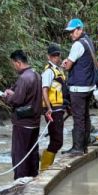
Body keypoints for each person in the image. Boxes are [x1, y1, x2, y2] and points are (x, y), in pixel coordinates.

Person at [2, 49, 44, 179]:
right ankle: (33, 177)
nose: (13, 67)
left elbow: (17, 100)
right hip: (35, 121)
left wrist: (6, 97)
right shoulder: (36, 74)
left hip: (23, 122)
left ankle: (20, 181)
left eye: (13, 64)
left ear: (18, 62)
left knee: (20, 154)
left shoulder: (24, 78)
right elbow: (28, 96)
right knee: (32, 153)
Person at [60, 18, 97, 154]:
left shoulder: (77, 45)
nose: (71, 34)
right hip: (88, 86)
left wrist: (65, 64)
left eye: (72, 31)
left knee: (78, 118)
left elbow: (68, 66)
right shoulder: (88, 41)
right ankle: (85, 143)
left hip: (78, 87)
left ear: (80, 29)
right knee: (85, 116)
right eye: (69, 32)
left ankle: (78, 148)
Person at [39, 43, 67, 171]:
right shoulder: (48, 72)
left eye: (57, 55)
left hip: (59, 108)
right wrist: (48, 108)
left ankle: (45, 163)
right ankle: (44, 167)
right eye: (53, 55)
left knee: (57, 140)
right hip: (52, 109)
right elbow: (44, 90)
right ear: (48, 57)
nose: (56, 57)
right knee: (57, 141)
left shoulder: (58, 70)